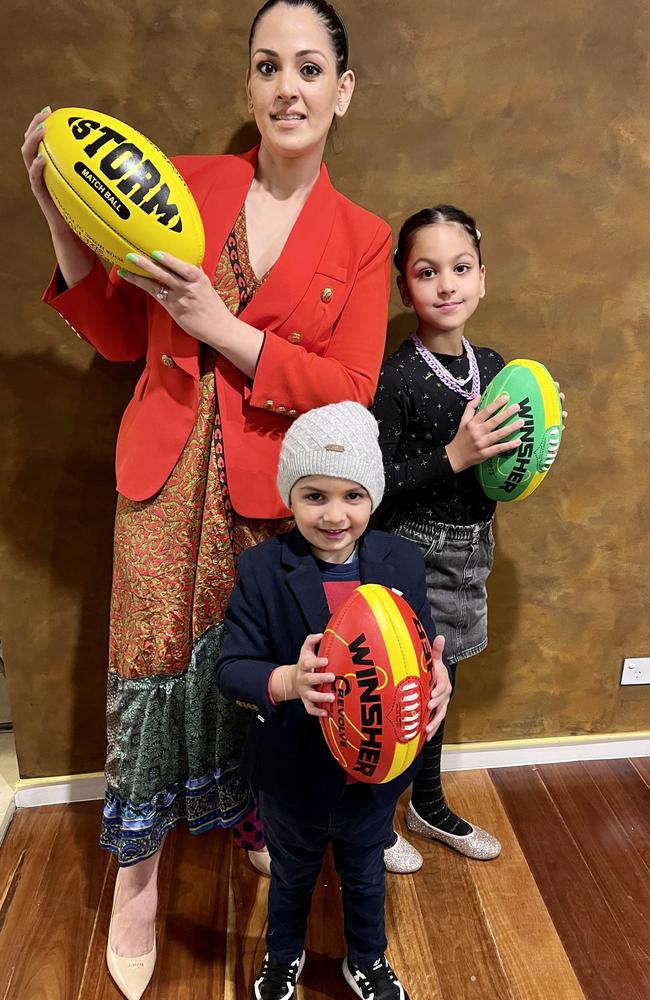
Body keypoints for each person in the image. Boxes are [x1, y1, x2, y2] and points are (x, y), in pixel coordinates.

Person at [20, 2, 392, 996]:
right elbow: (110, 336)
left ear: (341, 90)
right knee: (146, 672)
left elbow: (351, 392)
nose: (287, 87)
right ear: (247, 86)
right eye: (267, 66)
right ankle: (136, 884)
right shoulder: (185, 184)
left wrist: (223, 327)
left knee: (256, 669)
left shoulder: (361, 238)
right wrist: (60, 213)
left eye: (309, 69)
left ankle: (252, 821)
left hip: (275, 495)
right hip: (162, 472)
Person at [216, 401, 451, 1000]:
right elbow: (231, 670)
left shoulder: (400, 560)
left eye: (353, 495)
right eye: (314, 495)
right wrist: (289, 681)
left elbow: (420, 646)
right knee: (292, 875)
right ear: (288, 498)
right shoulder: (262, 569)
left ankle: (367, 959)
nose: (334, 514)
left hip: (376, 770)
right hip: (292, 769)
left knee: (365, 871)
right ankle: (283, 956)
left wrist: (437, 677)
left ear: (373, 496)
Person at [372, 205, 567, 870]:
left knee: (440, 683)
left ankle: (426, 804)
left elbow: (511, 465)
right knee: (398, 689)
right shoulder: (396, 377)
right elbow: (371, 487)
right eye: (428, 272)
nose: (446, 284)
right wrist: (453, 455)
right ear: (406, 289)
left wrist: (543, 436)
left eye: (461, 269)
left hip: (473, 547)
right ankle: (374, 818)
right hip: (409, 551)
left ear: (483, 279)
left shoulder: (495, 364)